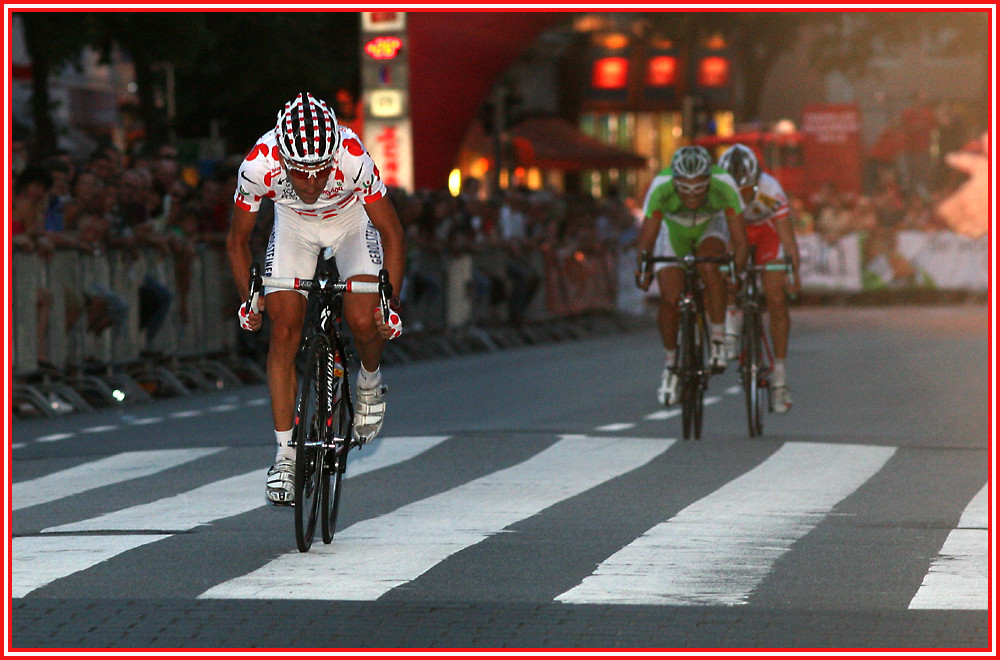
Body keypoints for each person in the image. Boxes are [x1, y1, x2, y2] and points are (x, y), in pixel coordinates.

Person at [226, 92, 406, 506]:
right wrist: (248, 298)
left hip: (350, 223)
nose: (310, 183)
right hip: (294, 227)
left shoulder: (353, 156)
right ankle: (286, 456)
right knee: (283, 328)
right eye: (300, 174)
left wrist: (388, 304)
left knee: (364, 318)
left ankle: (369, 381)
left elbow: (393, 234)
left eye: (320, 172)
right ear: (282, 159)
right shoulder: (258, 164)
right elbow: (237, 241)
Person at [635, 145, 748, 407]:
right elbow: (647, 239)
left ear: (709, 179)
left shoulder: (724, 185)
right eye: (684, 189)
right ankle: (670, 364)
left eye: (699, 188)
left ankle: (718, 337)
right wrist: (643, 268)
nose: (692, 195)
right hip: (674, 230)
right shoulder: (660, 187)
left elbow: (741, 242)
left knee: (710, 268)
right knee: (670, 299)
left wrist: (734, 273)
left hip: (711, 224)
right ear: (675, 181)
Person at [717, 144, 801, 413]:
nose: (741, 195)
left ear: (757, 181)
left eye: (747, 190)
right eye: (736, 191)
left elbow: (787, 238)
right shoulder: (716, 192)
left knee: (776, 299)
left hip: (765, 233)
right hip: (734, 232)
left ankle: (780, 378)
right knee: (725, 272)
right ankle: (731, 322)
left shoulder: (770, 191)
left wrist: (792, 271)